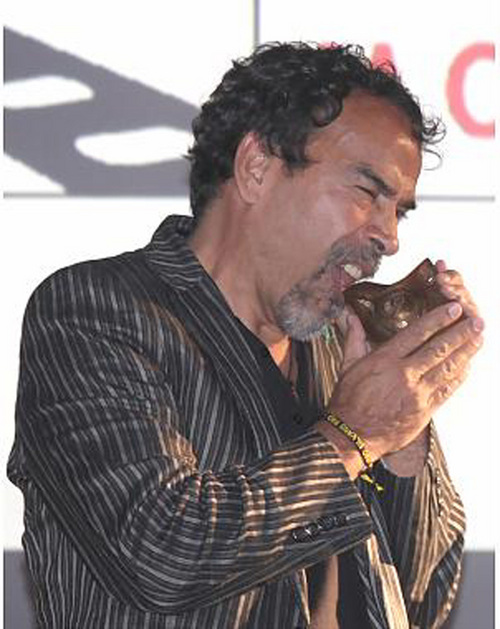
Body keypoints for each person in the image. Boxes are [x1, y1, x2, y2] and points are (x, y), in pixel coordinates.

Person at [8, 42, 483, 629]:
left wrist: (403, 432)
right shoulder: (92, 312)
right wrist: (353, 436)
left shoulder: (343, 349)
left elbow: (423, 601)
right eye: (367, 192)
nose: (389, 237)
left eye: (399, 211)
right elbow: (159, 553)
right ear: (257, 166)